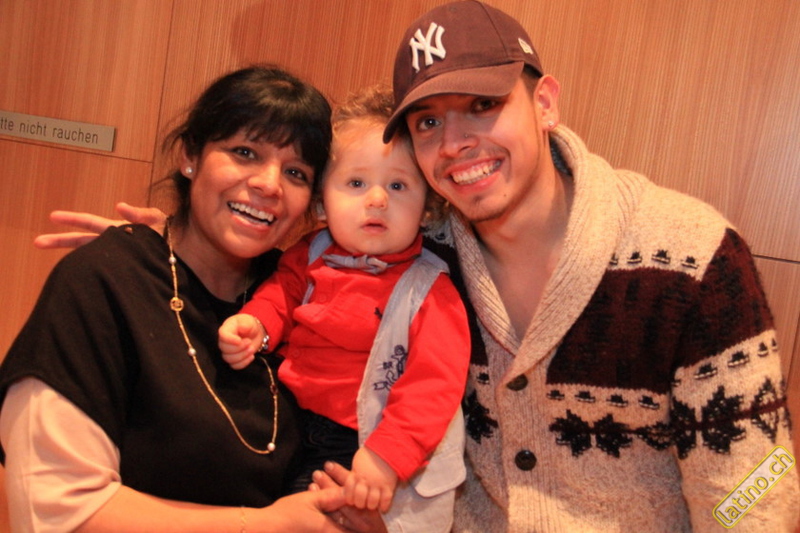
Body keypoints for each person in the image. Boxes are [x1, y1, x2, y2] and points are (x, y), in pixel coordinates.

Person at [379, 1, 800, 531]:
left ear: (544, 104)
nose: (453, 143)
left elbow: (760, 481)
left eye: (484, 104)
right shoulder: (423, 262)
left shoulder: (691, 258)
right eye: (428, 122)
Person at [0, 65, 362, 532]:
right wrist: (265, 526)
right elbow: (56, 508)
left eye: (296, 172)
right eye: (245, 152)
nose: (269, 184)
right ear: (190, 156)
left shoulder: (301, 297)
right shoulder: (103, 281)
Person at [218, 86, 469, 533]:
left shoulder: (430, 290)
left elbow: (434, 386)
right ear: (320, 201)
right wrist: (257, 323)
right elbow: (281, 293)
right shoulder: (309, 253)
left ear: (427, 207)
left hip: (360, 446)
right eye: (356, 183)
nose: (377, 200)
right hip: (282, 419)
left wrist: (386, 457)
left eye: (398, 186)